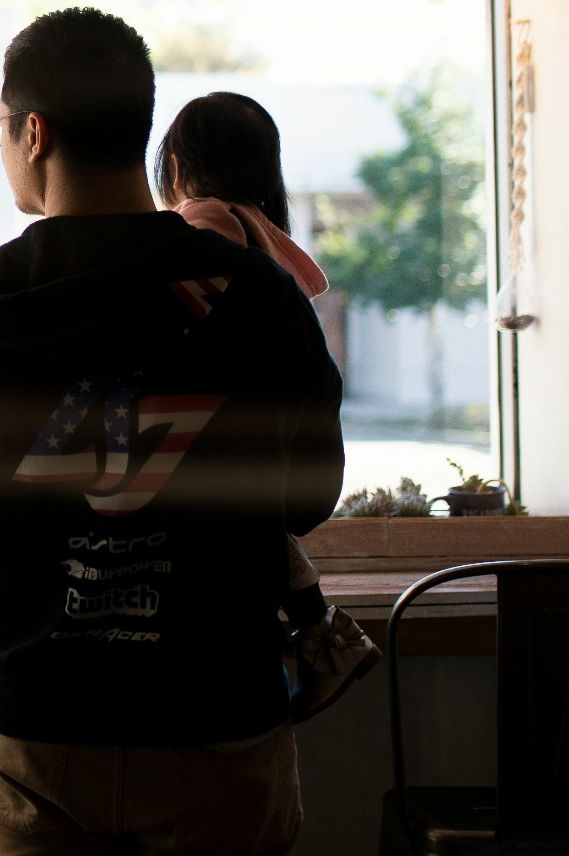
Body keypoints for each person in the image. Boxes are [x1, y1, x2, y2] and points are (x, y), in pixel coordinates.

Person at [0, 8, 344, 855]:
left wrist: (23, 475)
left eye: (0, 130)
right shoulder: (258, 293)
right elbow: (309, 499)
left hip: (43, 729)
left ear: (35, 133)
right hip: (220, 721)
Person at [157, 90, 381, 723]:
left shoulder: (202, 223)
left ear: (176, 166)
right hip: (265, 439)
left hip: (219, 428)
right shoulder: (258, 227)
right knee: (267, 535)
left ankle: (329, 640)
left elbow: (188, 310)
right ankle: (329, 639)